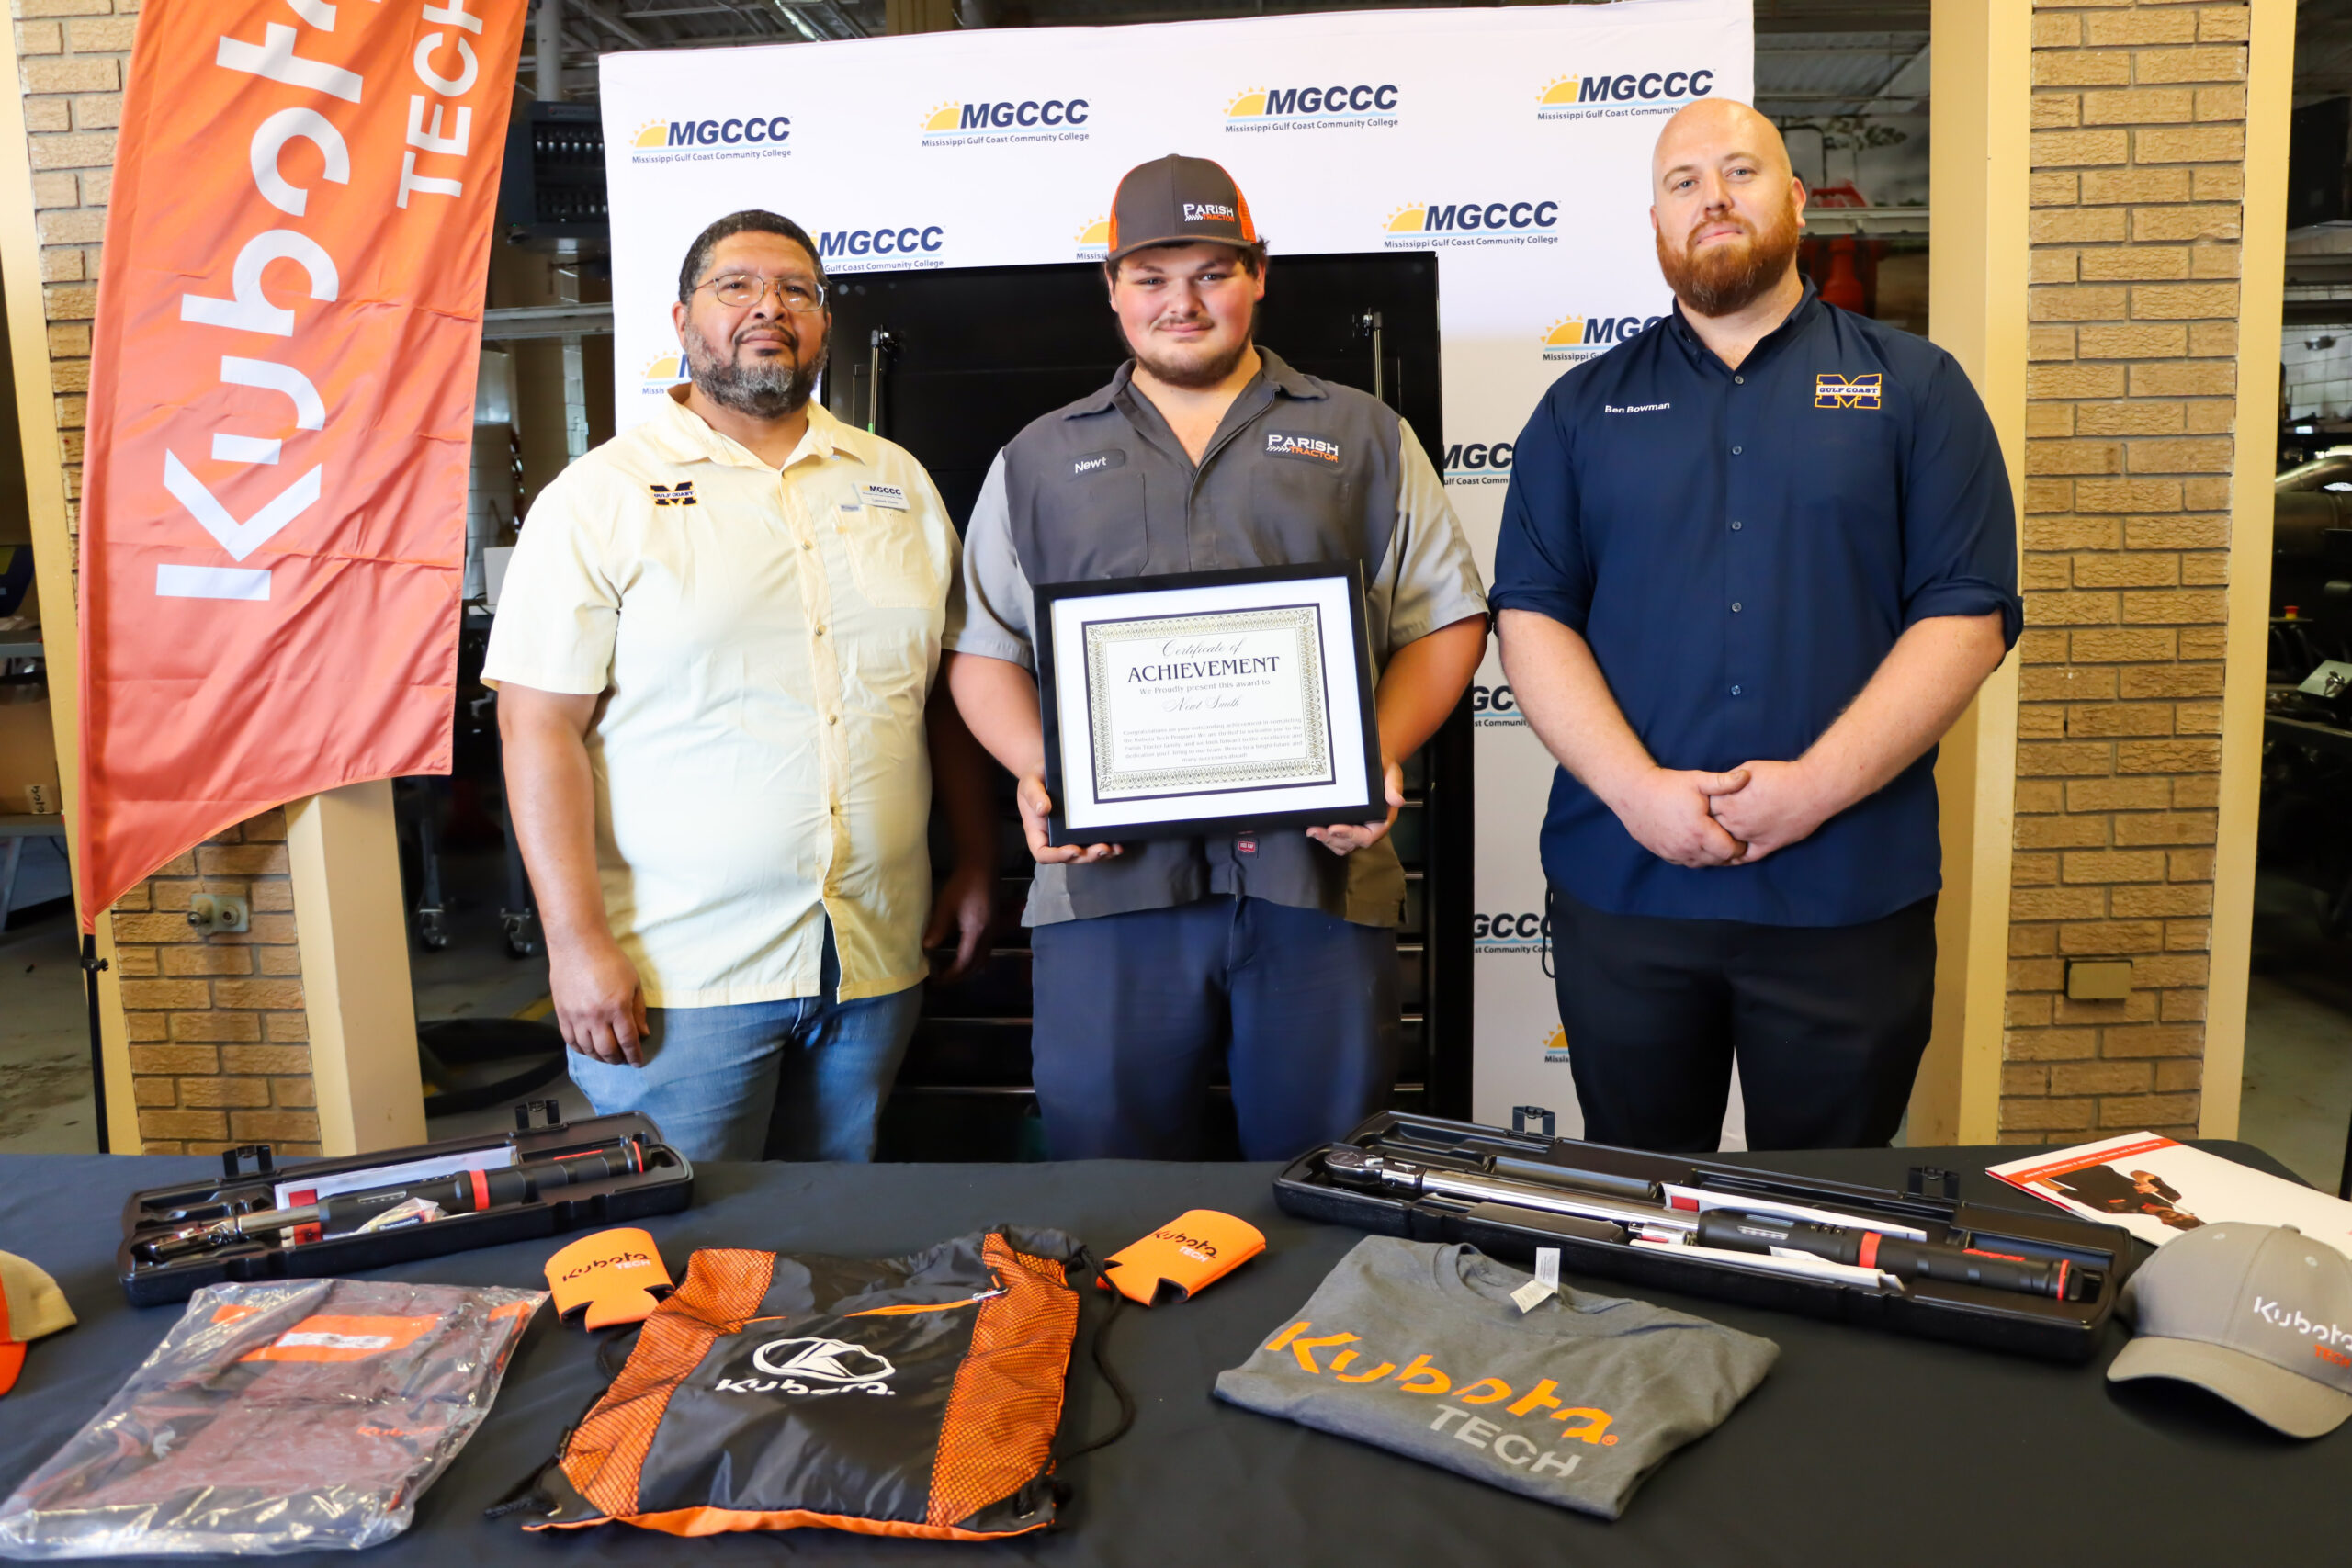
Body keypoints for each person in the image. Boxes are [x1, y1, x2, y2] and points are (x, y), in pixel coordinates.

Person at [1490, 100, 2021, 1153]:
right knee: (1642, 1208)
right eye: (1684, 183)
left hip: (1846, 894)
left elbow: (1966, 614)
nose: (1714, 198)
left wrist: (1810, 792)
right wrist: (1639, 795)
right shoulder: (1579, 411)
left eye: (1741, 172)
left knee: (1829, 1219)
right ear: (1655, 221)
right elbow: (1532, 618)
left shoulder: (1915, 389)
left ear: (1794, 199)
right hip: (1628, 884)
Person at [947, 155, 1488, 1160]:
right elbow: (983, 649)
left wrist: (1375, 752)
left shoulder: (1362, 435)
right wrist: (1038, 770)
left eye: (1210, 272)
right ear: (1111, 290)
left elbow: (1446, 618)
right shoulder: (1037, 460)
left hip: (1317, 881)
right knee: (1107, 1183)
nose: (1181, 303)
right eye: (1151, 278)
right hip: (1105, 888)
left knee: (1326, 1177)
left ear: (1258, 274)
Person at [484, 209, 996, 1164]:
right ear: (682, 320)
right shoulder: (599, 500)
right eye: (736, 288)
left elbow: (940, 694)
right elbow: (536, 729)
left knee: (833, 1257)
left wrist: (974, 857)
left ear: (823, 323)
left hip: (874, 958)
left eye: (797, 290)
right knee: (686, 1274)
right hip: (678, 981)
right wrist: (573, 945)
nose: (769, 307)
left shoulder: (896, 483)